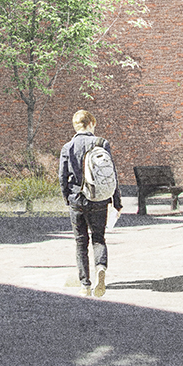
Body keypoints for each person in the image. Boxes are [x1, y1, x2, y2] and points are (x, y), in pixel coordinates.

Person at [58, 107, 123, 297]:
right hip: (99, 198)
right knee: (98, 238)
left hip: (77, 198)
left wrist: (67, 199)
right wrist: (116, 201)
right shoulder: (102, 143)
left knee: (80, 242)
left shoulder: (67, 147)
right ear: (92, 123)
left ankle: (85, 285)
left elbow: (62, 177)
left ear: (75, 126)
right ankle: (100, 268)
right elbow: (112, 175)